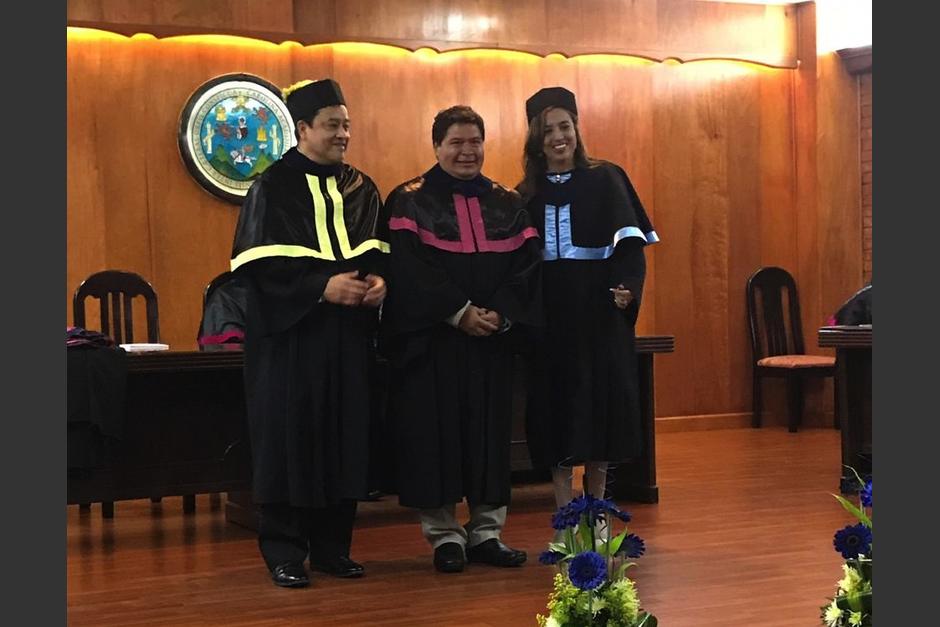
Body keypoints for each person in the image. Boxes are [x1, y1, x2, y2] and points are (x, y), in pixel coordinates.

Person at [230, 78, 389, 588]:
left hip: (347, 342)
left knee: (343, 437)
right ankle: (283, 551)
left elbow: (380, 255)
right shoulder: (270, 187)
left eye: (346, 125)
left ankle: (332, 549)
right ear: (302, 129)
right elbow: (257, 270)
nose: (344, 134)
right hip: (290, 342)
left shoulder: (362, 188)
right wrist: (322, 289)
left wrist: (381, 284)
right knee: (288, 440)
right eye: (332, 125)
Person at [380, 105, 542, 573]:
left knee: (490, 439)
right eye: (456, 142)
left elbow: (528, 268)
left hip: (491, 343)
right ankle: (445, 537)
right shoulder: (409, 201)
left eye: (474, 141)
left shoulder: (508, 203)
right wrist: (458, 312)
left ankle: (488, 532)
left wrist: (502, 314)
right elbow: (408, 270)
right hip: (434, 344)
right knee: (435, 439)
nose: (467, 151)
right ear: (436, 146)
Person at [517, 87, 659, 514]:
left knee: (601, 415)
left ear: (576, 129)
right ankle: (564, 513)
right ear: (535, 139)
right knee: (555, 414)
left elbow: (630, 250)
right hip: (550, 322)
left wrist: (628, 290)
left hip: (599, 318)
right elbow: (518, 265)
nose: (558, 137)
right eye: (548, 130)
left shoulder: (606, 177)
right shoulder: (524, 193)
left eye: (565, 126)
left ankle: (597, 510)